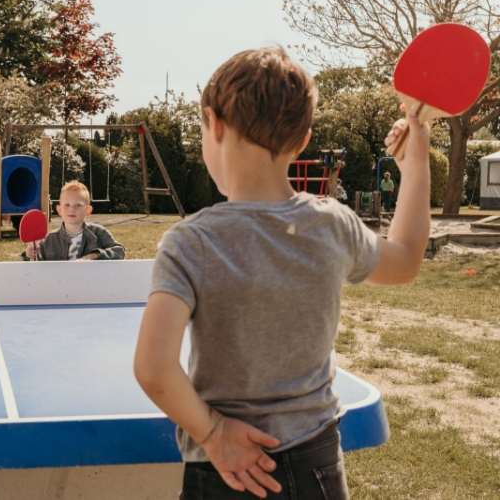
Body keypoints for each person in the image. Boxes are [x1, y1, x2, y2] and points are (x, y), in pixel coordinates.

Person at [133, 47, 430, 499]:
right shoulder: (332, 224)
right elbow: (406, 258)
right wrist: (416, 165)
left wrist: (213, 432)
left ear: (213, 123)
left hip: (227, 474)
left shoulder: (191, 242)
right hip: (317, 464)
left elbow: (154, 369)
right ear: (304, 139)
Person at [21, 180, 125, 261]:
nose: (71, 209)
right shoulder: (49, 240)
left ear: (88, 210)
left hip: (90, 285)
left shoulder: (98, 233)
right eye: (67, 205)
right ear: (59, 210)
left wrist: (94, 256)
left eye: (78, 205)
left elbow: (119, 251)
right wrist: (29, 255)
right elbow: (37, 269)